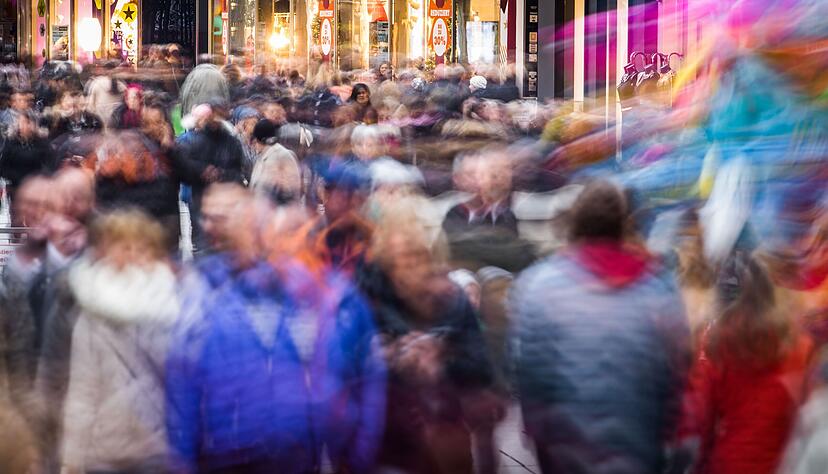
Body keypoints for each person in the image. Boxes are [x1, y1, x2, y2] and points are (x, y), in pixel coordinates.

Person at [511, 180, 691, 474]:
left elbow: (528, 368)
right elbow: (677, 366)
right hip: (638, 438)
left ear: (575, 223)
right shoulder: (657, 285)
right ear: (623, 226)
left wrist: (536, 428)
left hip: (568, 442)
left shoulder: (539, 285)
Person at [60, 210, 179, 474]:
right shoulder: (91, 313)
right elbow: (82, 390)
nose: (133, 254)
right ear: (106, 251)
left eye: (142, 247)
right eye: (124, 246)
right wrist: (71, 458)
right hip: (105, 449)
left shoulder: (171, 306)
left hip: (157, 445)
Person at [675, 252, 815, 474]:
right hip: (783, 464)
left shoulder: (714, 347)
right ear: (769, 294)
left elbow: (701, 420)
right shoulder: (799, 345)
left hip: (728, 463)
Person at [175, 103, 246, 252]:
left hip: (224, 202)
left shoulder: (231, 142)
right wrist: (202, 171)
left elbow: (238, 170)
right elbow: (182, 169)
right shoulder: (188, 141)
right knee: (203, 243)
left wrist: (221, 174)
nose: (211, 120)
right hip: (201, 199)